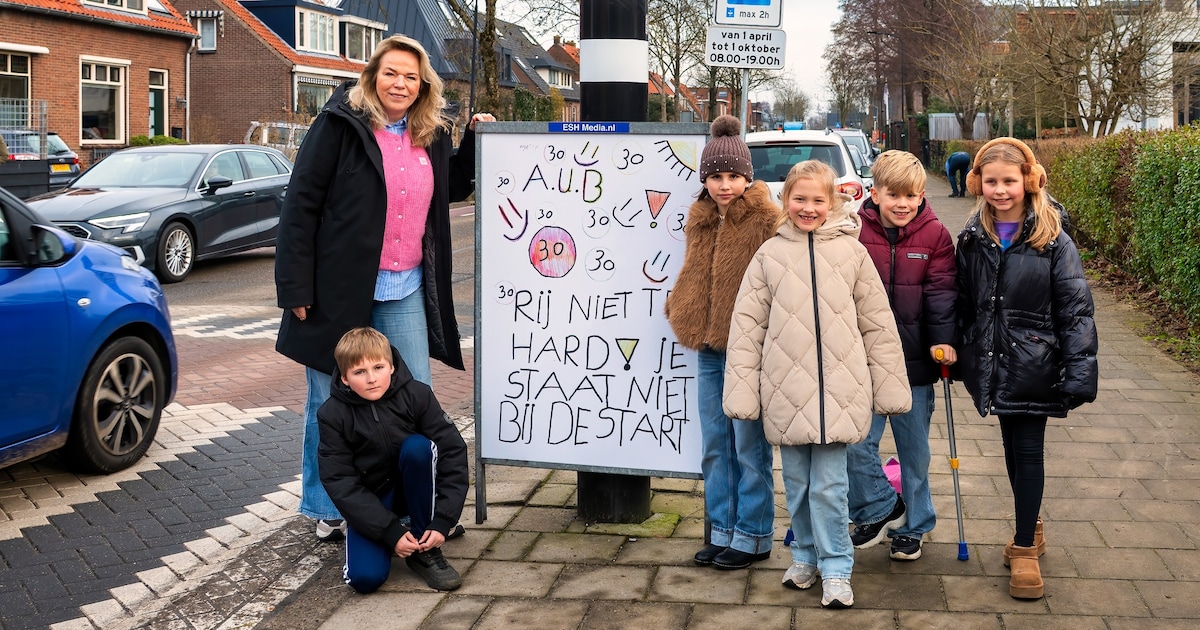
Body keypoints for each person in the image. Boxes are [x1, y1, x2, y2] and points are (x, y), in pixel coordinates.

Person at [275, 34, 494, 541]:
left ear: (423, 87)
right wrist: (294, 287)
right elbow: (301, 203)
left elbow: (453, 186)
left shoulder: (430, 133)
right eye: (391, 73)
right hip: (337, 289)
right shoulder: (339, 125)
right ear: (373, 76)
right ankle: (327, 508)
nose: (400, 83)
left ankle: (419, 505)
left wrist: (474, 143)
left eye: (411, 77)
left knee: (416, 394)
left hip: (405, 286)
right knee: (328, 400)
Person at [723, 160, 911, 609]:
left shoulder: (852, 253)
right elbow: (747, 329)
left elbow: (877, 325)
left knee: (831, 486)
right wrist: (743, 391)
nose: (808, 208)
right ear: (785, 201)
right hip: (786, 393)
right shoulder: (768, 255)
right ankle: (804, 555)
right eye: (799, 199)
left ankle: (837, 566)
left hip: (840, 393)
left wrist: (888, 387)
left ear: (833, 203)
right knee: (798, 484)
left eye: (817, 200)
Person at [956, 137, 1098, 600]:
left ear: (1029, 181)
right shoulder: (973, 238)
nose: (1000, 190)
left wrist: (1080, 370)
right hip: (994, 362)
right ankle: (1030, 523)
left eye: (1009, 181)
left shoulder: (1052, 239)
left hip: (1037, 362)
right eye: (991, 181)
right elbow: (962, 301)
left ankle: (1023, 550)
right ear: (977, 183)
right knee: (1011, 449)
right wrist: (958, 348)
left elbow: (1076, 310)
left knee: (1029, 449)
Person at [663, 115, 781, 571]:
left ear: (747, 177)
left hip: (749, 347)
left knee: (748, 444)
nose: (725, 185)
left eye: (733, 176)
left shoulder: (766, 219)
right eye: (716, 176)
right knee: (716, 441)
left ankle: (754, 534)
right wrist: (679, 304)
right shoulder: (701, 216)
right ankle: (722, 529)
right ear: (705, 179)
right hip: (708, 345)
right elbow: (694, 269)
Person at [845, 150, 958, 562]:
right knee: (856, 445)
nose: (902, 204)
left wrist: (943, 341)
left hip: (915, 364)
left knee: (915, 452)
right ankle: (877, 507)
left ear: (923, 194)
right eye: (893, 194)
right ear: (874, 193)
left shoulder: (935, 235)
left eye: (911, 195)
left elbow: (942, 294)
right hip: (863, 363)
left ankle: (916, 525)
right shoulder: (852, 230)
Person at [317, 327, 469, 593]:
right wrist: (389, 532)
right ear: (344, 378)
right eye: (359, 372)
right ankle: (396, 537)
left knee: (418, 448)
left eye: (378, 367)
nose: (372, 379)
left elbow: (452, 453)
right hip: (374, 499)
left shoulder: (417, 395)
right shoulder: (332, 414)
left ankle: (424, 548)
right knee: (365, 579)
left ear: (392, 367)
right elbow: (339, 481)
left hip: (416, 489)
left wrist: (443, 520)